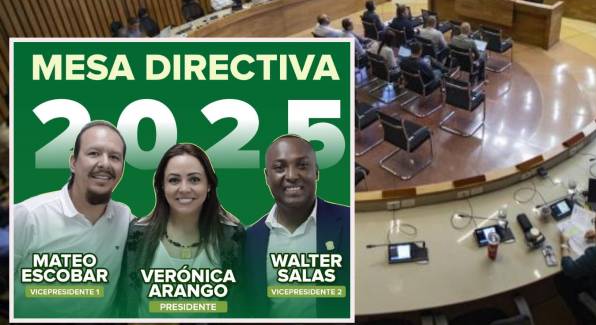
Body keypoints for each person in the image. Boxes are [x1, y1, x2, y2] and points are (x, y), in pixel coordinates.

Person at [14, 121, 133, 318]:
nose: (105, 163)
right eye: (94, 153)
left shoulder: (125, 218)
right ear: (74, 162)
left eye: (114, 157)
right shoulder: (29, 215)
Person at [122, 144, 244, 317]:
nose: (184, 188)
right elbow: (126, 305)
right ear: (162, 186)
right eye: (174, 180)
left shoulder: (233, 236)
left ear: (209, 185)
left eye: (194, 179)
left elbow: (239, 308)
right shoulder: (136, 235)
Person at [244, 135, 350, 318]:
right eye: (279, 168)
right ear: (267, 177)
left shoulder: (349, 222)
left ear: (316, 172)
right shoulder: (249, 239)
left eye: (302, 166)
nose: (292, 176)